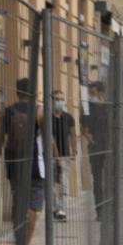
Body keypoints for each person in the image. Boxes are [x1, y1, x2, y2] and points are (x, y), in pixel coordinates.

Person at [0, 76, 45, 245]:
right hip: (34, 165)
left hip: (13, 164)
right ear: (34, 92)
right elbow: (48, 140)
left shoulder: (8, 112)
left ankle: (18, 242)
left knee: (17, 203)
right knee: (32, 207)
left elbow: (0, 140)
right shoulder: (39, 111)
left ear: (17, 91)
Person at [50, 90, 77, 221]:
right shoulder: (46, 117)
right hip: (49, 156)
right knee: (50, 183)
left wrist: (74, 150)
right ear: (51, 100)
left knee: (63, 183)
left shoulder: (68, 117)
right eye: (56, 99)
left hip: (65, 154)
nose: (59, 101)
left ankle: (62, 209)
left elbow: (73, 134)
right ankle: (55, 206)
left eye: (61, 99)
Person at [85, 79, 110, 210]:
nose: (91, 96)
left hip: (109, 147)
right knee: (97, 180)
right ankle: (99, 209)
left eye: (93, 93)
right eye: (90, 93)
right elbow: (85, 127)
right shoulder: (88, 107)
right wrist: (88, 136)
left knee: (109, 179)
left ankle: (109, 207)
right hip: (95, 147)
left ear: (101, 93)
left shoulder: (109, 107)